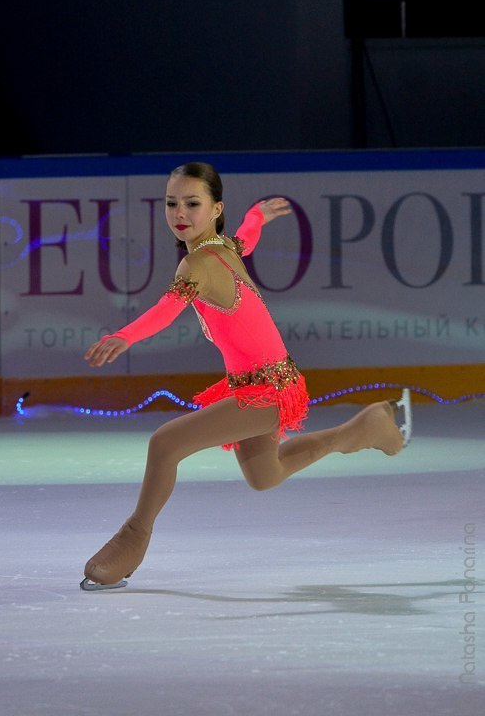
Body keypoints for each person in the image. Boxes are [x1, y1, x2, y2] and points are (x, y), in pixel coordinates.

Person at [81, 162, 411, 591]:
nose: (180, 212)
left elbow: (166, 311)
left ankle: (131, 540)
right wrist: (256, 215)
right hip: (267, 384)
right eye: (172, 203)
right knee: (265, 476)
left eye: (192, 203)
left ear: (215, 208)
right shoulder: (223, 245)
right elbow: (247, 236)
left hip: (267, 390)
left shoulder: (198, 262)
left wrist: (125, 335)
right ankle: (365, 428)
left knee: (165, 443)